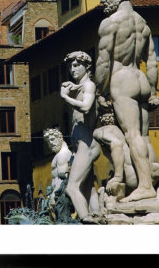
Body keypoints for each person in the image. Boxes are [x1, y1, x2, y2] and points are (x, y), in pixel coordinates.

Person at [95, 0, 159, 203]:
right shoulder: (143, 24)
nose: (104, 1)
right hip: (141, 79)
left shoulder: (110, 23)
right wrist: (152, 91)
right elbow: (151, 60)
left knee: (132, 137)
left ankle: (144, 187)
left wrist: (99, 91)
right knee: (143, 137)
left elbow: (103, 63)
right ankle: (150, 180)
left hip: (122, 81)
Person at [61, 51, 101, 223]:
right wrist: (73, 88)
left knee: (71, 187)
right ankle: (98, 216)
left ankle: (86, 219)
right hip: (80, 145)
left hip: (87, 143)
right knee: (87, 188)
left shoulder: (89, 86)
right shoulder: (80, 87)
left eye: (76, 65)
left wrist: (64, 97)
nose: (72, 69)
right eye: (70, 66)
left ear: (87, 67)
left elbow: (86, 107)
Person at [43, 128, 72, 203]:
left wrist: (54, 196)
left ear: (59, 138)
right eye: (48, 142)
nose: (51, 143)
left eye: (52, 139)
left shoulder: (62, 155)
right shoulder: (59, 155)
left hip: (59, 194)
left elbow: (63, 179)